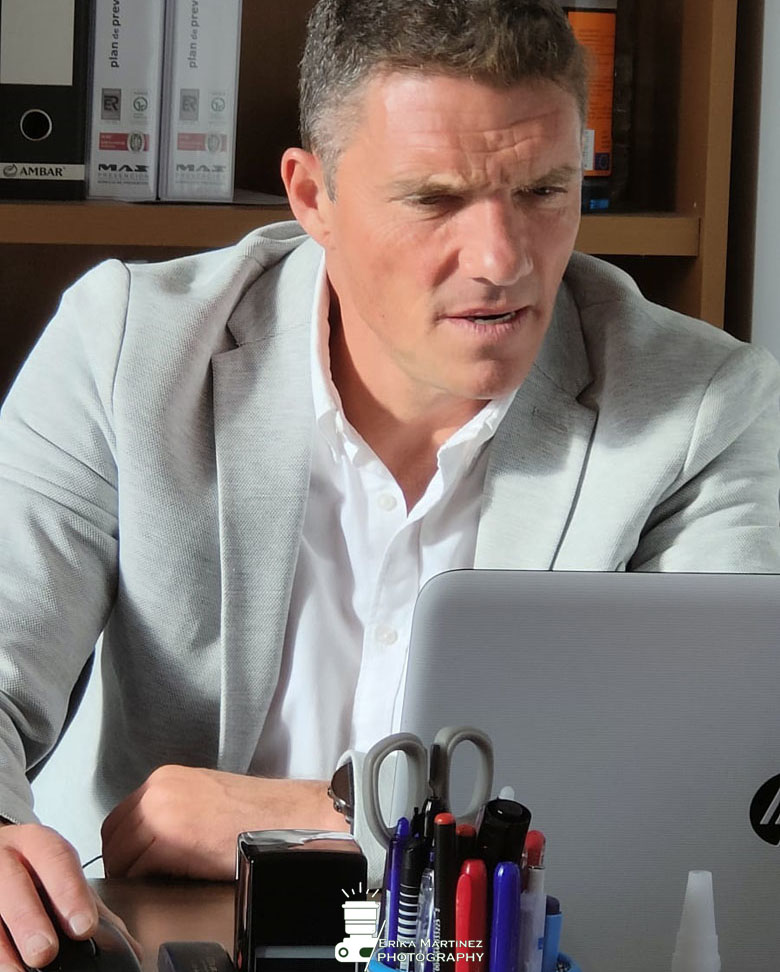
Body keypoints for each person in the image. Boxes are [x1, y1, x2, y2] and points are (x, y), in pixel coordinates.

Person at [0, 0, 778, 967]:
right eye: (435, 200)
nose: (502, 260)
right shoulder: (127, 348)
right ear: (312, 196)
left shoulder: (700, 408)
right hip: (165, 944)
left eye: (544, 190)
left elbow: (707, 790)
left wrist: (312, 817)